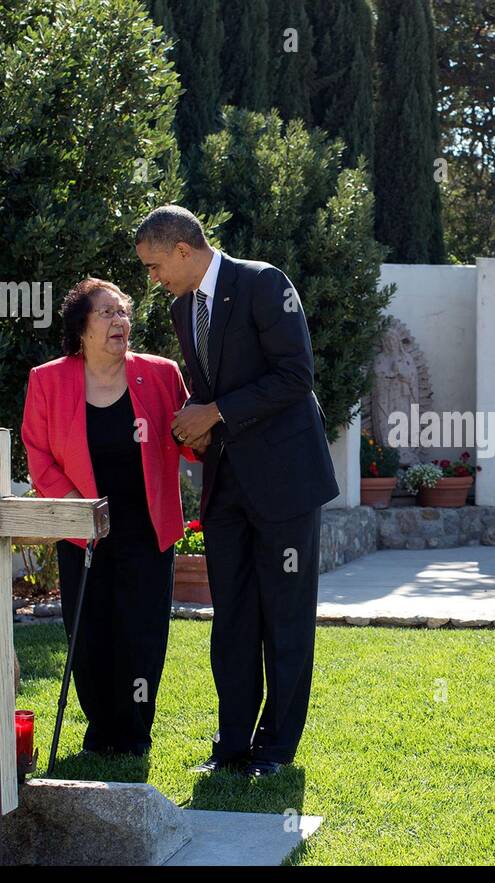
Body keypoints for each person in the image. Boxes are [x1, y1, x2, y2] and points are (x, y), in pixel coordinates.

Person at [135, 205, 338, 778]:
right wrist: (198, 424)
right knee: (233, 620)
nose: (154, 280)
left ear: (182, 249)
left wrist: (215, 412)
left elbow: (296, 377)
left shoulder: (264, 283)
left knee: (286, 617)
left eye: (154, 266)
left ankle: (276, 749)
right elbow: (208, 392)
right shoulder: (182, 308)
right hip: (225, 487)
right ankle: (231, 745)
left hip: (284, 481)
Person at [21, 278, 197, 756]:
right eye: (107, 313)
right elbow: (39, 456)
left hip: (147, 529)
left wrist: (205, 432)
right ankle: (101, 733)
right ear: (81, 327)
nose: (121, 321)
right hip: (83, 532)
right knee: (89, 634)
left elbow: (190, 440)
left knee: (142, 635)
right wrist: (83, 512)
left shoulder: (161, 374)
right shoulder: (47, 380)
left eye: (124, 312)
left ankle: (136, 733)